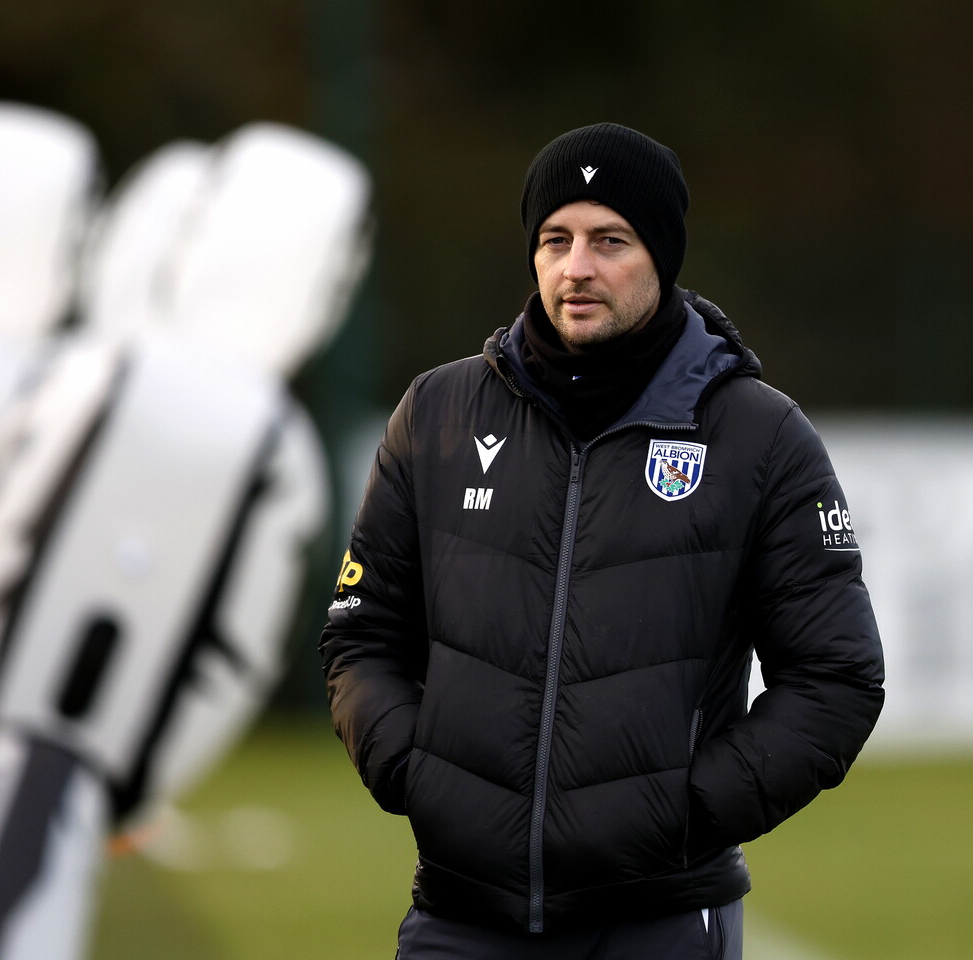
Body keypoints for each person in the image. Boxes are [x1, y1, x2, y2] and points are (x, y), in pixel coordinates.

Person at [320, 122, 885, 960]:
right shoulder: (436, 417)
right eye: (556, 239)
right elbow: (361, 634)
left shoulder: (759, 438)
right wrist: (418, 775)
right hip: (458, 917)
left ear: (661, 255)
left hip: (658, 921)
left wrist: (687, 812)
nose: (575, 267)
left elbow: (837, 677)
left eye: (609, 240)